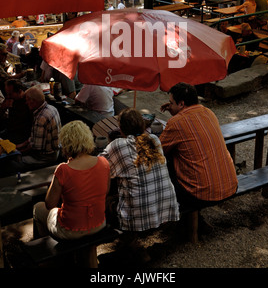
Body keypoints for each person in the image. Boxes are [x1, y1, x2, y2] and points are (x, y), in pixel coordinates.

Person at [100, 108, 179, 244]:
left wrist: (110, 144)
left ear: (121, 129)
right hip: (165, 207)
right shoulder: (154, 139)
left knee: (107, 201)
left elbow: (99, 165)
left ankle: (131, 246)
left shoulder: (118, 145)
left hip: (138, 215)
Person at [159, 83, 238, 209]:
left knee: (166, 162)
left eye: (171, 103)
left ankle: (175, 218)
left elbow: (159, 151)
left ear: (181, 104)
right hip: (231, 185)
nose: (169, 105)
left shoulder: (176, 122)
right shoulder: (209, 112)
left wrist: (175, 117)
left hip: (201, 195)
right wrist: (175, 112)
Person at [33, 120, 110, 241]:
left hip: (71, 230)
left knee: (38, 208)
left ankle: (45, 248)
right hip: (99, 223)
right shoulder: (103, 162)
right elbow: (105, 191)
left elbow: (49, 204)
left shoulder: (63, 169)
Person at [15, 85, 61, 170]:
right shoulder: (52, 108)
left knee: (15, 162)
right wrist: (21, 145)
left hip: (47, 156)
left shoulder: (41, 118)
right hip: (55, 151)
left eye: (27, 100)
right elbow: (35, 138)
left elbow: (36, 147)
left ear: (33, 101)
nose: (26, 103)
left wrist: (18, 152)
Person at [0, 79, 32, 145]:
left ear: (19, 91)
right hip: (9, 130)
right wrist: (3, 108)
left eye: (10, 94)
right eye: (7, 94)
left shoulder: (28, 102)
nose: (8, 96)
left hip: (21, 135)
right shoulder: (10, 98)